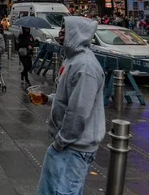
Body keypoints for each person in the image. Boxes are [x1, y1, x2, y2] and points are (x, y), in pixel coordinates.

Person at [31, 17, 105, 195]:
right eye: (62, 27)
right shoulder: (71, 59)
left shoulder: (85, 67)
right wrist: (48, 99)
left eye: (67, 28)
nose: (62, 31)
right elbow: (68, 98)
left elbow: (78, 112)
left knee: (63, 191)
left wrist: (60, 142)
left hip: (74, 148)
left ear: (78, 33)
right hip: (66, 145)